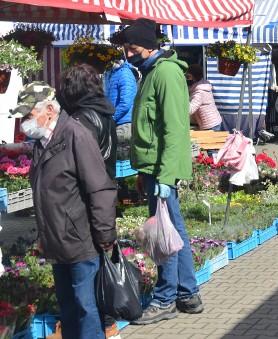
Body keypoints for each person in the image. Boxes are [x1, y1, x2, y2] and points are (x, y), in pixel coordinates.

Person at [10, 81, 117, 339]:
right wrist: (43, 237)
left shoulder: (76, 135)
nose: (24, 121)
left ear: (49, 108)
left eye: (28, 114)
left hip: (81, 241)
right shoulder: (41, 142)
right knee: (68, 308)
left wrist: (104, 235)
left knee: (86, 308)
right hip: (58, 241)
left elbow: (100, 188)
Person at [122, 17, 203, 325]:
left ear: (150, 46)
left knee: (164, 235)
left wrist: (166, 178)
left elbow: (174, 129)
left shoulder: (165, 72)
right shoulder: (152, 71)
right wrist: (146, 174)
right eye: (126, 49)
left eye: (132, 48)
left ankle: (164, 299)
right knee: (174, 230)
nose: (128, 54)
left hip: (162, 168)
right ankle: (188, 293)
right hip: (154, 168)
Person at [55, 64, 120, 339]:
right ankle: (109, 326)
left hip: (85, 201)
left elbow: (83, 169)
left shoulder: (81, 120)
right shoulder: (105, 112)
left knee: (86, 286)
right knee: (96, 275)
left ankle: (103, 327)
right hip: (102, 196)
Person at [56, 63, 118, 179]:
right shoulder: (103, 109)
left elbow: (83, 158)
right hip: (104, 179)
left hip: (91, 183)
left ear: (73, 89)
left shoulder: (82, 117)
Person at [104, 57, 137, 160]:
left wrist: (111, 117)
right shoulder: (111, 73)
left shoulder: (125, 73)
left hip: (123, 123)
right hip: (116, 122)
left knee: (122, 159)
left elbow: (125, 103)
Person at [185, 64, 222, 131]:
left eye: (188, 76)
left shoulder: (200, 92)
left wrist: (181, 98)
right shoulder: (201, 84)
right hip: (212, 122)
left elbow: (190, 109)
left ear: (194, 76)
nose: (186, 78)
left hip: (211, 125)